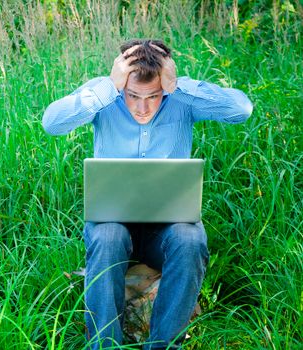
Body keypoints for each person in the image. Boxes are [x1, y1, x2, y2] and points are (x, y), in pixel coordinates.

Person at [42, 39, 253, 349]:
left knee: (190, 238)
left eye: (153, 96)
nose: (143, 108)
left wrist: (175, 85)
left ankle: (164, 346)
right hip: (113, 226)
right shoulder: (105, 93)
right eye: (133, 96)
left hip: (165, 231)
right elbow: (52, 123)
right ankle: (104, 346)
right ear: (121, 84)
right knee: (107, 236)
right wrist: (109, 88)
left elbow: (242, 110)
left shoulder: (180, 96)